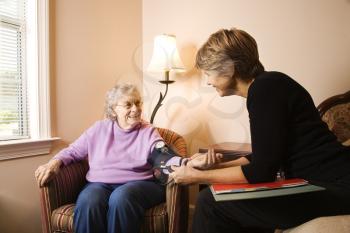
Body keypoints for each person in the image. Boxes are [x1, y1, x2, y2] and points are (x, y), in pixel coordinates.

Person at [169, 28, 350, 233]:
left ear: (229, 69)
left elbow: (260, 173)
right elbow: (266, 156)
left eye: (208, 73)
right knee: (228, 201)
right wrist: (216, 165)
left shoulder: (265, 89)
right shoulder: (269, 85)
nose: (208, 81)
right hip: (328, 182)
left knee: (210, 201)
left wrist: (195, 177)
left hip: (335, 186)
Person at [34, 83, 182, 233]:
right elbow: (73, 150)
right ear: (113, 109)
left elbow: (161, 152)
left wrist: (181, 164)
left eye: (137, 103)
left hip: (140, 184)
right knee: (88, 201)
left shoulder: (148, 131)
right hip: (100, 184)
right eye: (128, 104)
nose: (136, 109)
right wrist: (54, 163)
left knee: (121, 198)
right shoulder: (99, 129)